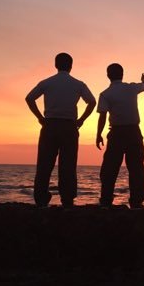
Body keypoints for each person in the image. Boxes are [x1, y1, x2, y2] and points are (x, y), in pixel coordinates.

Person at [25, 53, 96, 208]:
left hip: (49, 125)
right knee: (68, 165)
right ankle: (67, 199)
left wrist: (40, 117)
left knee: (44, 164)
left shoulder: (47, 82)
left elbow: (29, 98)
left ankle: (41, 199)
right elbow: (92, 101)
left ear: (56, 65)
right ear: (71, 66)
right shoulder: (78, 84)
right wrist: (82, 119)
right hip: (69, 126)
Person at [96, 63, 144, 209]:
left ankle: (106, 199)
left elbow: (102, 116)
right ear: (122, 74)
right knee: (136, 168)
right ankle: (136, 202)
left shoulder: (105, 94)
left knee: (110, 168)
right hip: (133, 132)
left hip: (117, 134)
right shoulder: (131, 88)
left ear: (108, 75)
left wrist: (98, 134)